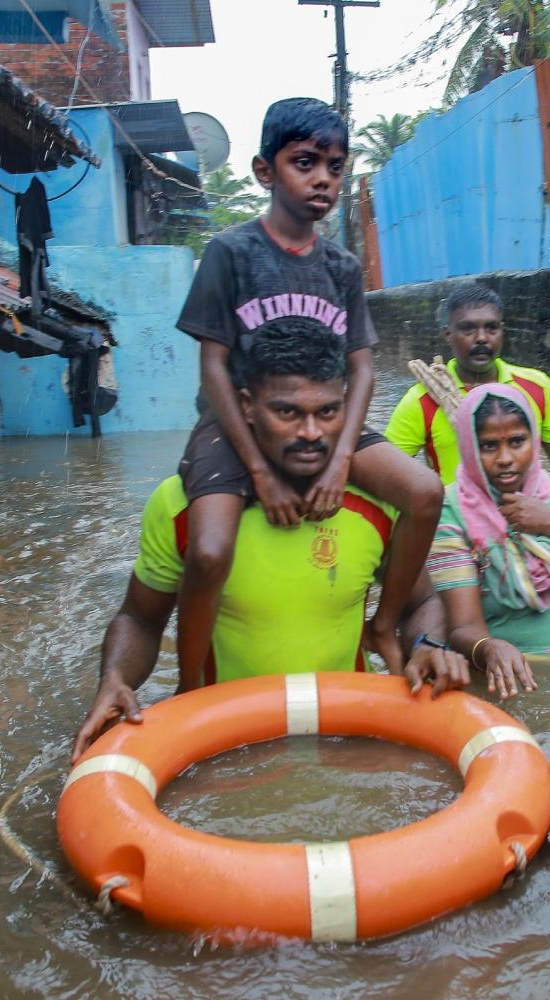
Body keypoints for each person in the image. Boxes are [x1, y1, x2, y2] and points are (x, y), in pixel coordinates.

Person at [72, 325, 468, 762]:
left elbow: (422, 602)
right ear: (247, 407)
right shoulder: (185, 509)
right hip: (224, 749)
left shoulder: (380, 504)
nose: (312, 433)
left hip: (350, 740)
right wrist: (114, 677)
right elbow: (141, 620)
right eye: (287, 412)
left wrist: (427, 645)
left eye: (329, 412)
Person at [174, 97, 442, 691]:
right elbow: (214, 366)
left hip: (323, 416)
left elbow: (363, 368)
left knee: (424, 491)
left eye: (336, 166)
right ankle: (189, 685)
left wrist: (343, 455)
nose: (323, 178)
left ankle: (385, 623)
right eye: (305, 163)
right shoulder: (231, 253)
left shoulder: (342, 266)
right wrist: (259, 473)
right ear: (265, 171)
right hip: (237, 421)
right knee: (212, 549)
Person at [426, 383, 550, 700]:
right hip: (517, 672)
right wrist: (489, 647)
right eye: (489, 446)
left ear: (534, 441)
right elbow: (462, 627)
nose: (505, 458)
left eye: (517, 442)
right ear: (469, 447)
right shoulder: (451, 513)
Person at [386, 282, 550, 484]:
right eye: (468, 329)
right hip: (457, 514)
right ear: (448, 335)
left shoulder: (538, 388)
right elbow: (384, 473)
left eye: (491, 328)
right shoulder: (422, 400)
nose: (481, 338)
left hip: (529, 512)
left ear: (502, 331)